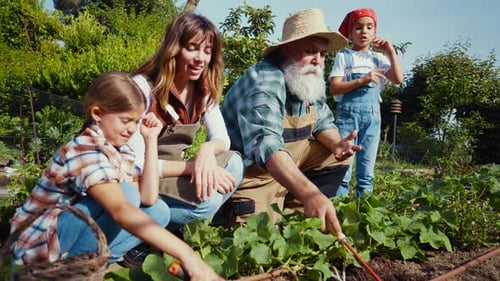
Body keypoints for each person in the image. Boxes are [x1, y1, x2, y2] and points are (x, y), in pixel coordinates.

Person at [8, 71, 224, 280]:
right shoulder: (85, 149)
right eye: (125, 120)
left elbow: (148, 197)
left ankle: (85, 269)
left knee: (158, 211)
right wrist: (188, 255)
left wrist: (150, 141)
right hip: (34, 247)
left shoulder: (119, 150)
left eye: (136, 121)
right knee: (127, 196)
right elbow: (121, 210)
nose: (132, 129)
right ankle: (70, 272)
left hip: (63, 240)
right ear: (97, 114)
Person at [218, 8, 361, 238]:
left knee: (334, 156)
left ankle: (296, 214)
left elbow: (322, 120)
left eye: (323, 54)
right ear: (286, 49)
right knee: (254, 242)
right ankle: (231, 212)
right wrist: (310, 193)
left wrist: (337, 144)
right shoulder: (265, 80)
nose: (317, 61)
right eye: (310, 51)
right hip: (249, 177)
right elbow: (267, 146)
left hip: (286, 172)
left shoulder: (307, 79)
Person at [123, 12, 244, 265]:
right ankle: (139, 236)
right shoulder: (143, 88)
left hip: (170, 174)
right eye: (192, 49)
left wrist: (206, 152)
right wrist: (192, 167)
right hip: (137, 177)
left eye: (207, 51)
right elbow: (135, 162)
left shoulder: (202, 89)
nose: (201, 59)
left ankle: (166, 226)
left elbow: (223, 137)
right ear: (174, 48)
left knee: (234, 164)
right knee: (205, 203)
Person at [329, 8, 403, 198]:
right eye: (358, 27)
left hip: (372, 117)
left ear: (375, 33)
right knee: (344, 169)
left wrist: (391, 51)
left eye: (370, 27)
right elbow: (334, 88)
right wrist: (363, 80)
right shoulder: (344, 56)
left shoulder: (378, 58)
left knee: (366, 172)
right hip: (347, 116)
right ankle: (340, 210)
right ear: (350, 33)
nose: (364, 31)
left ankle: (365, 214)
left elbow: (398, 79)